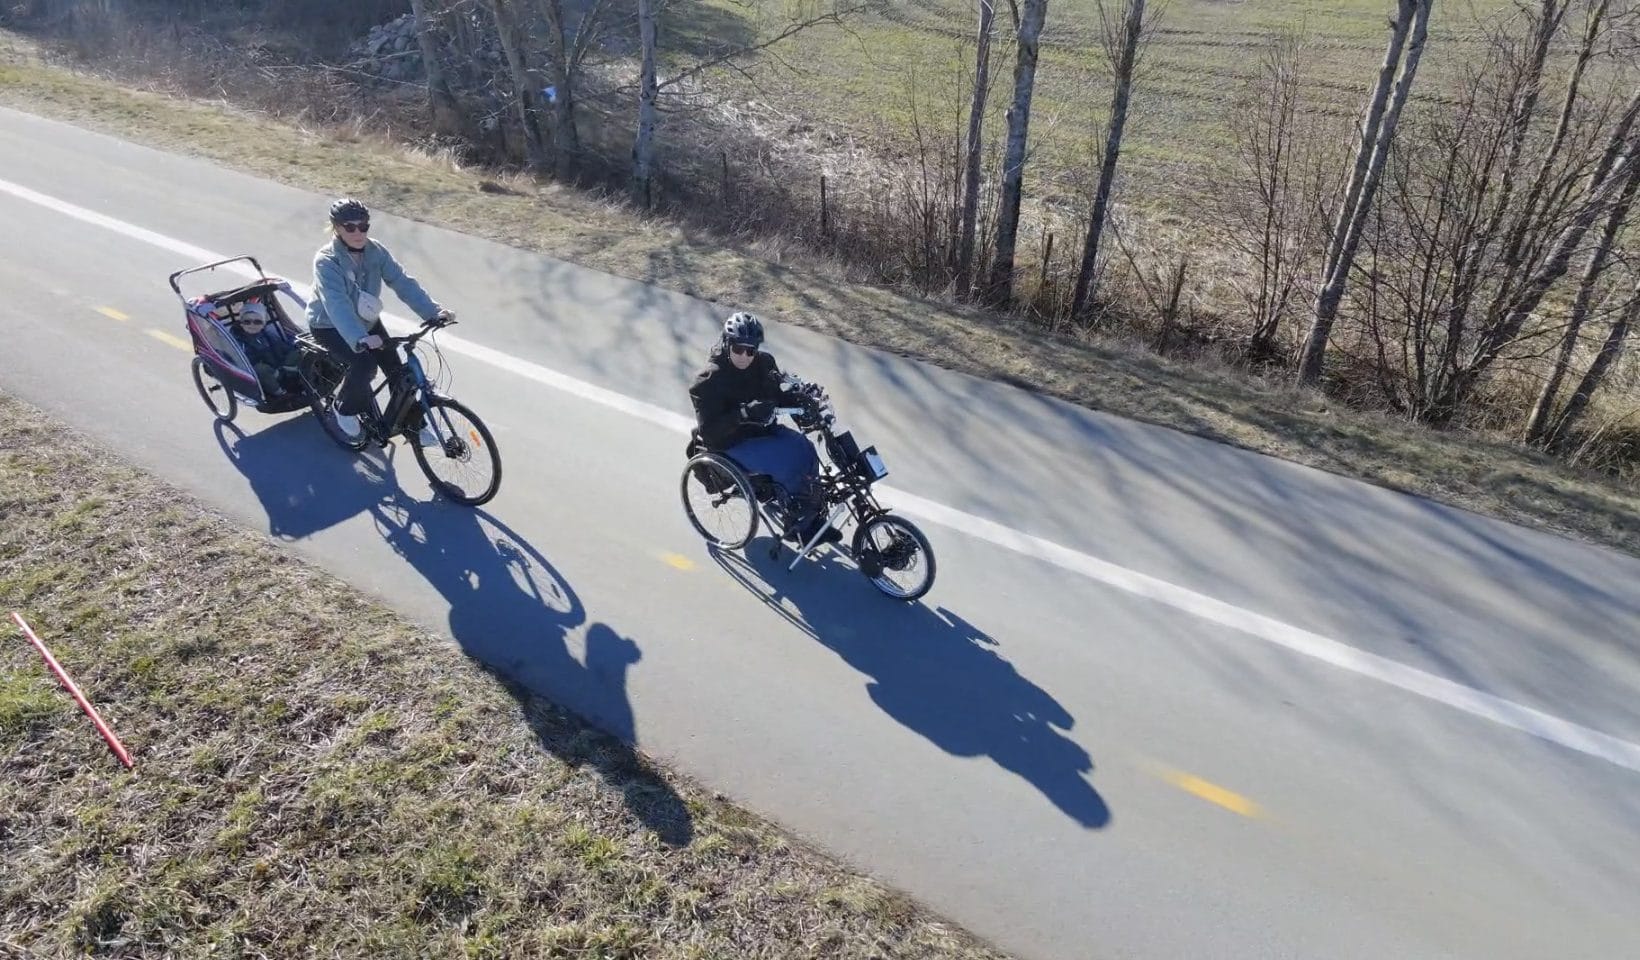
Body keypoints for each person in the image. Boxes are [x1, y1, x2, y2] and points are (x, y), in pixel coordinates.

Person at [305, 197, 450, 444]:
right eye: (350, 227)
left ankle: (414, 425)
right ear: (337, 228)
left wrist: (433, 312)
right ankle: (344, 408)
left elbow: (402, 282)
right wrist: (359, 338)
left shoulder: (375, 251)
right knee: (365, 365)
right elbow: (337, 304)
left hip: (366, 322)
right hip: (330, 325)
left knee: (399, 372)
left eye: (363, 226)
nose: (358, 232)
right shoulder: (326, 261)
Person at [689, 312, 840, 546]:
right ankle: (799, 527)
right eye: (738, 349)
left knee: (806, 449)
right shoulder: (708, 381)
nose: (744, 356)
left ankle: (814, 514)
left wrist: (803, 402)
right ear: (727, 343)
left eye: (751, 350)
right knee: (787, 465)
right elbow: (709, 432)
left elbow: (777, 396)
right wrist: (744, 413)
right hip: (730, 443)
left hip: (762, 431)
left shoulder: (764, 363)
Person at [229, 299, 302, 398]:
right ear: (241, 324)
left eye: (257, 322)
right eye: (247, 322)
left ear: (263, 324)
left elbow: (284, 347)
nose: (252, 325)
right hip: (263, 375)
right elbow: (244, 362)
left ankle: (304, 380)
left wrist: (295, 350)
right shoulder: (239, 340)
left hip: (281, 367)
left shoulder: (268, 334)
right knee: (260, 369)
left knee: (300, 351)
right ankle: (281, 394)